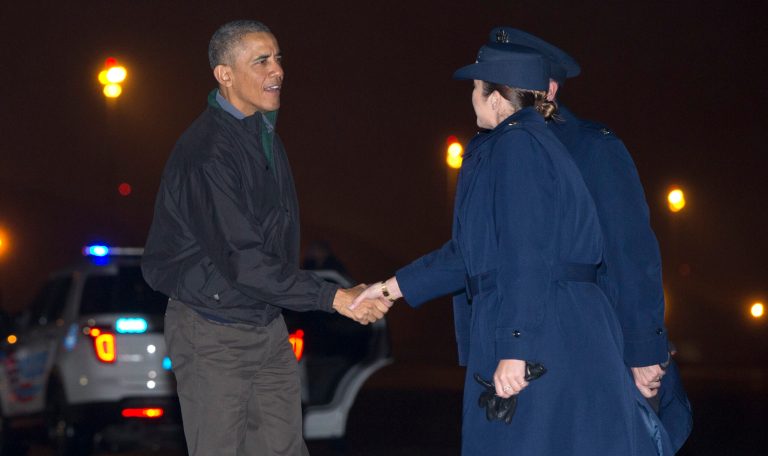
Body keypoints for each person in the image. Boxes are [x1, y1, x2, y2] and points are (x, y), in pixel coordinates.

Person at [352, 43, 671, 454]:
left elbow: (526, 253)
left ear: (497, 98)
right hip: (549, 323)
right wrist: (386, 290)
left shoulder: (516, 146)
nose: (470, 98)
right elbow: (469, 254)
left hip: (541, 332)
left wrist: (517, 347)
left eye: (476, 88)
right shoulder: (526, 144)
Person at [141, 20, 388, 456]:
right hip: (212, 331)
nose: (277, 70)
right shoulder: (208, 153)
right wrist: (334, 298)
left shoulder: (259, 129)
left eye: (277, 58)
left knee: (285, 449)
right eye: (261, 61)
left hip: (264, 323)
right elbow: (244, 260)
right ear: (225, 74)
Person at [487, 26, 692, 451]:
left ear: (549, 88)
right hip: (522, 349)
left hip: (592, 348)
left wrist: (644, 351)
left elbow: (632, 255)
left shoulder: (591, 148)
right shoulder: (498, 151)